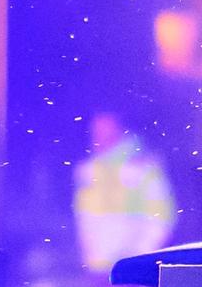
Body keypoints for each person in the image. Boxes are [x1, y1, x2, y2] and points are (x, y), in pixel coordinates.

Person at [71, 111, 178, 275]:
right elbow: (85, 215)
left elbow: (162, 216)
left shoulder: (142, 167)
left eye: (106, 131)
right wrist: (90, 255)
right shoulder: (89, 169)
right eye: (96, 132)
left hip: (129, 262)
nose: (98, 138)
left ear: (119, 131)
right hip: (99, 264)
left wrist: (142, 255)